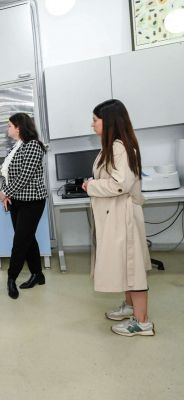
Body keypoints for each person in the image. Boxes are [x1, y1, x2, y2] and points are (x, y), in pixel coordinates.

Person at [82, 99, 154, 337]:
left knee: (133, 269)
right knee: (126, 265)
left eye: (95, 120)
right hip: (115, 214)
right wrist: (94, 183)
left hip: (123, 216)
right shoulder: (112, 147)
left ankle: (142, 323)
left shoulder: (119, 148)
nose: (92, 124)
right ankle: (131, 308)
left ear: (109, 121)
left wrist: (91, 186)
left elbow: (120, 184)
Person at [0, 113, 47, 299]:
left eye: (9, 125)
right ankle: (37, 274)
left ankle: (11, 278)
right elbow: (7, 174)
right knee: (28, 239)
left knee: (20, 241)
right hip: (17, 201)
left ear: (19, 127)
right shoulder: (16, 147)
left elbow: (24, 176)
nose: (7, 128)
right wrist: (3, 193)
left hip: (32, 201)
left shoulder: (33, 145)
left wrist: (6, 192)